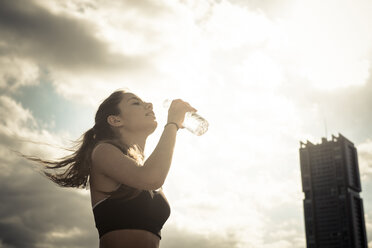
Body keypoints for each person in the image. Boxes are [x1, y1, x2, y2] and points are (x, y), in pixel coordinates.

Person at [22, 89, 197, 248]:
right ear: (115, 120)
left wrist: (173, 126)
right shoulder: (102, 151)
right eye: (136, 103)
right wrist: (172, 124)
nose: (149, 105)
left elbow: (152, 175)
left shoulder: (143, 167)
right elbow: (151, 178)